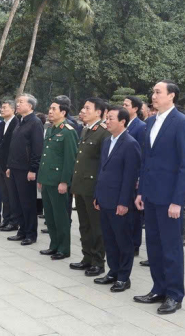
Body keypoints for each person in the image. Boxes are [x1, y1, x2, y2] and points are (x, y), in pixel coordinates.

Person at [134, 80, 185, 314]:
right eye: (153, 92)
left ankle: (174, 295)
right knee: (155, 246)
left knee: (171, 248)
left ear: (172, 96)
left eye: (158, 92)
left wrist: (178, 201)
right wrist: (141, 192)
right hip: (151, 196)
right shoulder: (150, 121)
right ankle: (158, 288)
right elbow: (146, 161)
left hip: (170, 199)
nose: (154, 95)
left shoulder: (182, 122)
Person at [93, 106, 141, 292]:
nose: (107, 121)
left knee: (123, 240)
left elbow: (130, 177)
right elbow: (102, 171)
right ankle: (112, 271)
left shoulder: (130, 143)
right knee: (109, 239)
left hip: (119, 201)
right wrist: (97, 195)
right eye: (107, 118)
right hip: (105, 198)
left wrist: (123, 202)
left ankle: (123, 277)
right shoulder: (107, 141)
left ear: (123, 121)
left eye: (111, 118)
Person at [70, 98, 111, 277]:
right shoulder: (86, 130)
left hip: (93, 187)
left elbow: (104, 164)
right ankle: (87, 257)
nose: (83, 110)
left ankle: (98, 261)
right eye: (83, 107)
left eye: (87, 108)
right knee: (84, 225)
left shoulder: (103, 132)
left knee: (96, 227)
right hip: (81, 186)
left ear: (99, 112)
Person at [39, 98, 78, 260]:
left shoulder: (68, 131)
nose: (50, 111)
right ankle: (53, 245)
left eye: (53, 109)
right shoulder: (50, 129)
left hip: (58, 182)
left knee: (61, 217)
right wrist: (41, 178)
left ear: (63, 112)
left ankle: (63, 248)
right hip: (47, 180)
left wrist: (64, 181)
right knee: (50, 216)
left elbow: (70, 159)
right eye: (49, 108)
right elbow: (45, 156)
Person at [5, 94, 43, 245]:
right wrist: (9, 166)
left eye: (21, 102)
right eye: (17, 102)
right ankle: (22, 230)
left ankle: (30, 234)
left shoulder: (35, 123)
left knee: (27, 203)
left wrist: (33, 169)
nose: (18, 104)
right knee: (17, 202)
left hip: (26, 170)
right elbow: (13, 146)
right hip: (15, 167)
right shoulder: (20, 122)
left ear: (31, 106)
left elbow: (37, 148)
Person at [123, 95, 147, 255]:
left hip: (134, 176)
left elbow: (143, 155)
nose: (123, 106)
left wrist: (139, 177)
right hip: (123, 175)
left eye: (126, 104)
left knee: (134, 213)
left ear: (135, 109)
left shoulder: (140, 127)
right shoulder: (123, 124)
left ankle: (135, 244)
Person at [0, 100, 19, 232]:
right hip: (1, 164)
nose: (2, 110)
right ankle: (6, 219)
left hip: (10, 165)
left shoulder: (16, 123)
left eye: (5, 108)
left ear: (14, 110)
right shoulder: (1, 124)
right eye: (1, 108)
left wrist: (10, 165)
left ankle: (14, 222)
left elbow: (14, 148)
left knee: (11, 195)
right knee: (4, 194)